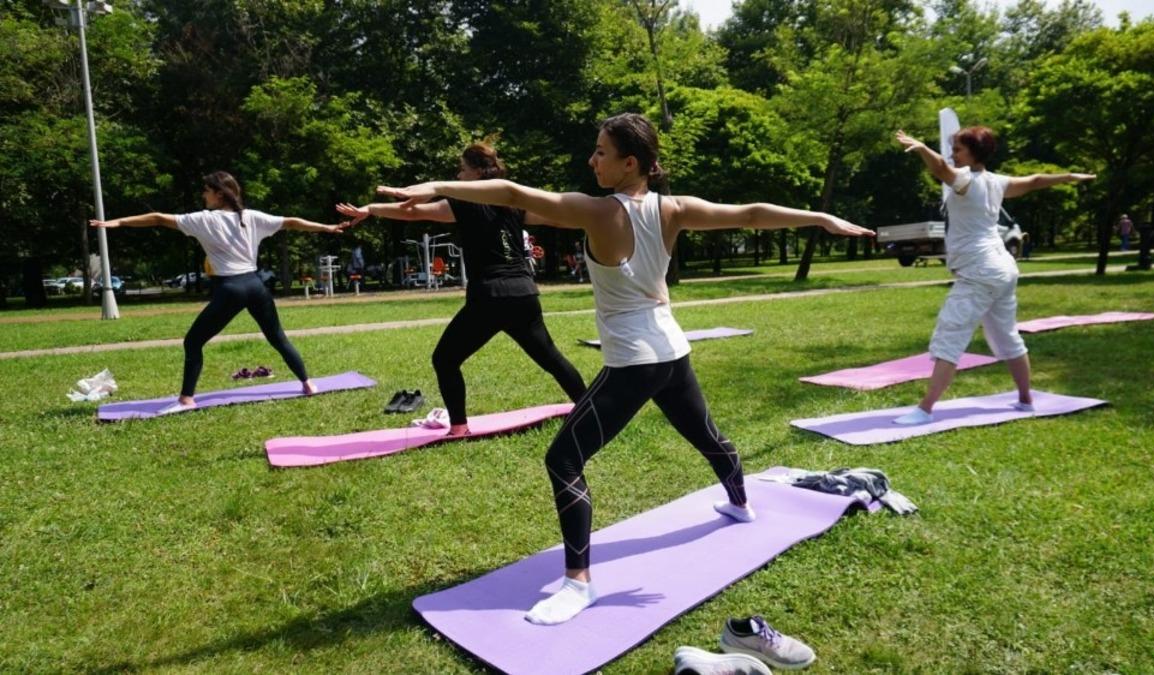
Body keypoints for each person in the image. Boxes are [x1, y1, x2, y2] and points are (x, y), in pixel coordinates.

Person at [379, 113, 874, 625]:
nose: (592, 160)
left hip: (634, 362)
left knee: (563, 460)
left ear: (630, 163)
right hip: (671, 350)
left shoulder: (597, 211)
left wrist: (438, 185)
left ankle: (579, 584)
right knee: (705, 433)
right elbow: (749, 214)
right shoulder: (673, 208)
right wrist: (819, 217)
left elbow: (510, 194)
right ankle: (740, 503)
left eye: (601, 152)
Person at [338, 143, 587, 435]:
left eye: (463, 169)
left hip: (490, 298)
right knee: (552, 359)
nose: (458, 175)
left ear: (478, 172)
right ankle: (591, 412)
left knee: (445, 359)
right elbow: (556, 217)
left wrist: (371, 209)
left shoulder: (463, 204)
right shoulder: (514, 205)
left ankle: (459, 429)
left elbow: (415, 213)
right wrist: (594, 219)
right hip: (524, 294)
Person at [89, 171, 351, 414]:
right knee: (277, 337)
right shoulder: (251, 217)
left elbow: (157, 217)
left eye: (206, 191)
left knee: (193, 342)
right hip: (256, 286)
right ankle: (308, 384)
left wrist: (117, 222)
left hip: (231, 288)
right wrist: (327, 228)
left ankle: (186, 400)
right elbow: (291, 222)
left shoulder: (204, 219)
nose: (204, 195)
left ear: (219, 194)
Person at [892, 127, 1095, 425]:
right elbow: (1034, 181)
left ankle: (925, 409)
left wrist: (922, 148)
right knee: (1006, 336)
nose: (953, 154)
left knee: (950, 335)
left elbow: (940, 168)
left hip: (980, 272)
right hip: (1003, 268)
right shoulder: (996, 182)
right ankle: (1025, 400)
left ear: (974, 153)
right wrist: (1067, 177)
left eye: (958, 149)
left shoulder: (965, 181)